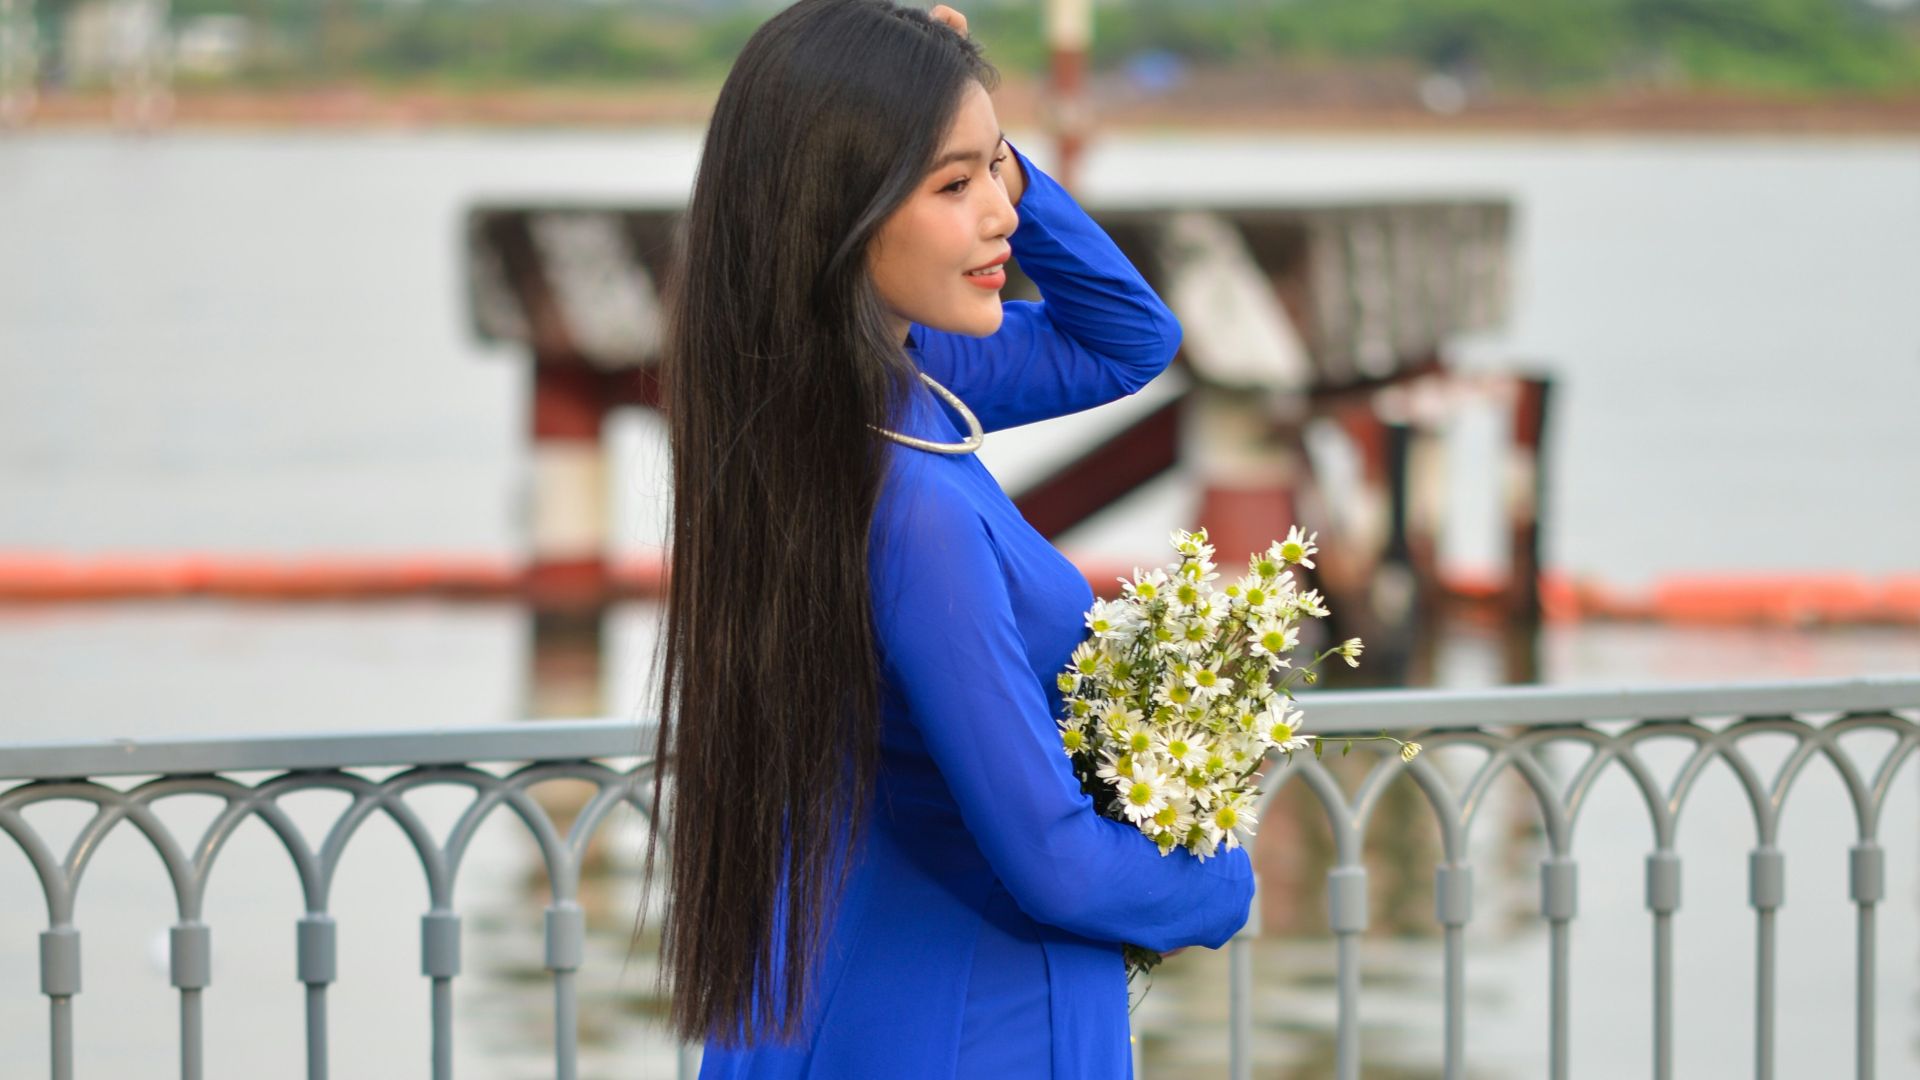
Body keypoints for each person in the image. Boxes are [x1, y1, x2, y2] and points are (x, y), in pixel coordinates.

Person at [639, 2, 1256, 1076]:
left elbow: (1130, 339)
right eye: (953, 186)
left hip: (827, 989)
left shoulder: (836, 400)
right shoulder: (912, 505)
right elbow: (1056, 862)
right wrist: (1220, 878)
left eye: (997, 174)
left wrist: (949, 108)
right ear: (843, 207)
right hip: (969, 1024)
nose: (1001, 216)